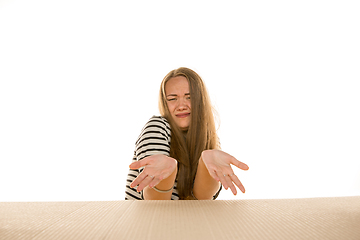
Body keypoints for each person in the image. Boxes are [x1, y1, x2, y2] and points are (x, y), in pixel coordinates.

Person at [125, 67, 249, 200]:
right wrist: (166, 175)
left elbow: (199, 202)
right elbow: (154, 203)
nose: (181, 105)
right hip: (148, 219)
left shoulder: (209, 138)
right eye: (172, 99)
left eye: (189, 97)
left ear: (200, 101)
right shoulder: (157, 126)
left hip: (186, 220)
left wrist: (207, 171)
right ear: (165, 103)